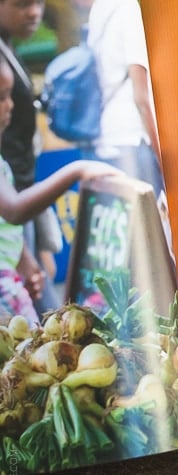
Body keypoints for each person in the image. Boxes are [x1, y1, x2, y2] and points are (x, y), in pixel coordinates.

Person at [0, 54, 119, 326]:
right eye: (1, 97)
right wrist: (76, 170)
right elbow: (13, 210)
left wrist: (24, 258)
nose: (10, 105)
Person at [67, 0, 166, 205]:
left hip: (103, 143)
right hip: (131, 143)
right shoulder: (124, 1)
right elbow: (141, 96)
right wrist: (165, 160)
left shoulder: (100, 4)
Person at [0, 0, 61, 314]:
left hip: (19, 192)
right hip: (13, 201)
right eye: (22, 3)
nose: (33, 12)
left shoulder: (10, 49)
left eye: (39, 2)